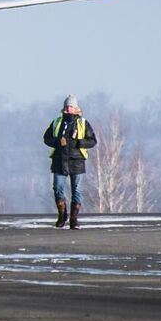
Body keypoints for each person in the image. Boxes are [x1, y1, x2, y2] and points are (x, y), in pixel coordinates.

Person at [44, 96, 98, 230]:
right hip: (59, 160)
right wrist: (57, 142)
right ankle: (62, 216)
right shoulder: (56, 122)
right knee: (57, 188)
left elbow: (92, 141)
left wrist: (78, 143)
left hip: (77, 161)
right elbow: (46, 138)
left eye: (71, 106)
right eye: (67, 106)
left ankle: (74, 219)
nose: (69, 108)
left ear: (76, 108)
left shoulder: (83, 123)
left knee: (77, 191)